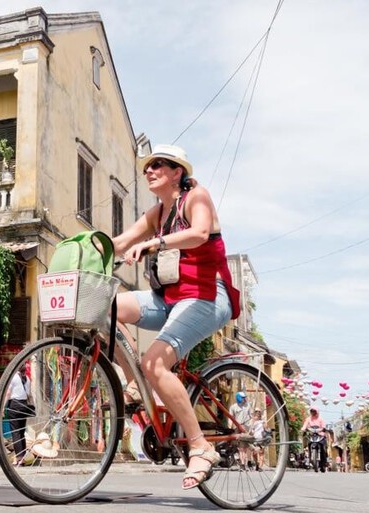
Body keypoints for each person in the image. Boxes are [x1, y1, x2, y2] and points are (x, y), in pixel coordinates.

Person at [111, 144, 240, 490]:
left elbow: (199, 234)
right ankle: (134, 384)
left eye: (158, 165)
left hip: (206, 295)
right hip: (168, 298)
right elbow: (120, 242)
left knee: (155, 363)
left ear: (177, 172)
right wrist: (88, 246)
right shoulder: (157, 212)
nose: (149, 171)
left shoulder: (196, 197)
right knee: (107, 309)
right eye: (147, 167)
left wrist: (154, 244)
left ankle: (200, 447)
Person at [5, 365, 33, 465]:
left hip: (14, 405)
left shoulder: (13, 377)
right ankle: (23, 458)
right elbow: (29, 393)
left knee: (16, 432)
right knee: (21, 432)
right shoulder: (28, 379)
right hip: (24, 405)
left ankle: (19, 458)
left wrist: (3, 407)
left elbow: (8, 393)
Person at [229, 391, 253, 468]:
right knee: (240, 447)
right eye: (242, 397)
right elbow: (231, 418)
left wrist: (252, 427)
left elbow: (251, 416)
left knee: (248, 446)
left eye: (244, 397)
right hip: (238, 427)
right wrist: (230, 428)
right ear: (238, 398)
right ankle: (242, 463)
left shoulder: (248, 406)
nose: (244, 399)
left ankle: (248, 461)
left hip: (247, 427)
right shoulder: (233, 407)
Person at [301, 406, 328, 472]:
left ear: (317, 412)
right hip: (312, 436)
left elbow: (324, 426)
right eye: (312, 411)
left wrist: (323, 429)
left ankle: (323, 464)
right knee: (309, 444)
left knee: (323, 449)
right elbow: (305, 425)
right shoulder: (308, 419)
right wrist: (303, 429)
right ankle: (310, 458)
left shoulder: (320, 419)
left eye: (314, 411)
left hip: (320, 436)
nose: (313, 413)